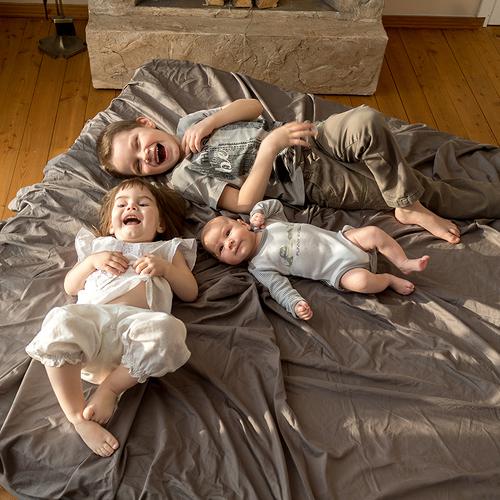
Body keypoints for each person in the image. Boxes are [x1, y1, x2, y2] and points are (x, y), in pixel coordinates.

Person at [97, 99, 500, 245]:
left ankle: (406, 201)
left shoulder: (190, 124)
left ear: (146, 123)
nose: (145, 156)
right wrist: (269, 148)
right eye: (137, 165)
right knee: (427, 192)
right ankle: (414, 204)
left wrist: (211, 121)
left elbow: (252, 107)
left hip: (314, 137)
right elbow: (242, 202)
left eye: (138, 143)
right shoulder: (184, 177)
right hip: (311, 179)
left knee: (366, 120)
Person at [26, 178, 198, 457]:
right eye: (122, 204)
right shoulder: (99, 246)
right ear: (109, 226)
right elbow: (71, 286)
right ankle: (78, 418)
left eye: (143, 203)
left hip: (137, 338)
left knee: (171, 331)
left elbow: (190, 292)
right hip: (91, 329)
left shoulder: (167, 250)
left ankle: (110, 390)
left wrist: (166, 269)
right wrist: (92, 262)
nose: (132, 207)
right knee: (59, 320)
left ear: (160, 224)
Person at [200, 199, 430, 321]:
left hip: (344, 240)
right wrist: (294, 305)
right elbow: (279, 289)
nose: (229, 243)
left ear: (242, 224)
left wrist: (258, 212)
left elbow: (275, 205)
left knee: (373, 233)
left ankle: (403, 262)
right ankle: (388, 279)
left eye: (228, 233)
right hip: (339, 270)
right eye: (221, 249)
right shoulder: (259, 266)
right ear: (224, 261)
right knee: (362, 283)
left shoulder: (269, 223)